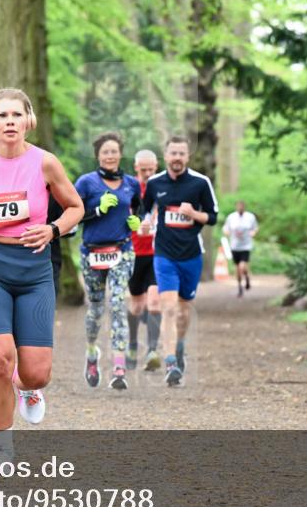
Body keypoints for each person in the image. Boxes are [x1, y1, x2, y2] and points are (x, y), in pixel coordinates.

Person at [0, 88, 83, 464]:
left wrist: (53, 229)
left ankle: (26, 388)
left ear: (29, 121)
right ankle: (3, 447)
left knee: (37, 374)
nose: (10, 122)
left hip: (35, 270)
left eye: (16, 115)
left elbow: (75, 207)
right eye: (2, 115)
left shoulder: (46, 163)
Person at [140, 135, 219, 386]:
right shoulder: (155, 183)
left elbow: (213, 216)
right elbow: (144, 210)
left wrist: (193, 213)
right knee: (169, 308)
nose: (177, 158)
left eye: (181, 153)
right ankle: (171, 362)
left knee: (184, 311)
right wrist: (144, 222)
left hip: (191, 255)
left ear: (187, 156)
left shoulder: (200, 183)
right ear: (166, 156)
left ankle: (179, 345)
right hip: (164, 254)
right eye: (173, 153)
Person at [74, 132, 142, 390]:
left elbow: (138, 207)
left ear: (120, 154)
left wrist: (136, 221)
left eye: (114, 151)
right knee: (95, 309)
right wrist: (97, 210)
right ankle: (92, 353)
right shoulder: (86, 183)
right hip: (92, 252)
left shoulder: (131, 183)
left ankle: (119, 367)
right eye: (105, 152)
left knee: (117, 303)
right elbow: (72, 215)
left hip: (122, 250)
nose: (110, 156)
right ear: (98, 156)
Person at [127, 149, 162, 372]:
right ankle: (132, 344)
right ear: (136, 167)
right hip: (133, 253)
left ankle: (152, 351)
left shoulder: (162, 187)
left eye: (151, 169)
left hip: (157, 253)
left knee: (155, 302)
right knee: (137, 305)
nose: (147, 173)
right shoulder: (129, 188)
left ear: (156, 167)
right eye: (143, 169)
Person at [223, 200, 259, 298]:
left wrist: (253, 233)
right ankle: (240, 287)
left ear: (244, 207)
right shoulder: (231, 217)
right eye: (238, 206)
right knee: (237, 267)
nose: (240, 208)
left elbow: (255, 228)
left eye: (241, 206)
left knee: (242, 266)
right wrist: (228, 233)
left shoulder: (250, 217)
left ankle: (246, 276)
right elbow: (225, 229)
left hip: (246, 246)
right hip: (235, 246)